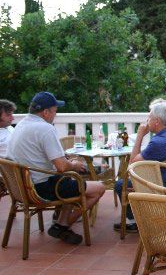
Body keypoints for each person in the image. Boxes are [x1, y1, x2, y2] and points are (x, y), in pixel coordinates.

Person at [7, 92, 106, 245]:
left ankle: (61, 223)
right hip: (40, 189)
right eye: (55, 111)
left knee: (69, 180)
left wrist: (67, 164)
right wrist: (74, 165)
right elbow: (62, 167)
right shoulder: (45, 129)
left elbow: (41, 158)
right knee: (98, 188)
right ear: (45, 112)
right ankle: (61, 226)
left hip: (21, 188)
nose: (56, 115)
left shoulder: (20, 125)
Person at [113, 101, 166, 232]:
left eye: (149, 118)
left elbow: (133, 164)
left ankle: (135, 223)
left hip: (162, 184)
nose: (146, 121)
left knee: (120, 184)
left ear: (157, 122)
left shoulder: (158, 142)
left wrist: (140, 136)